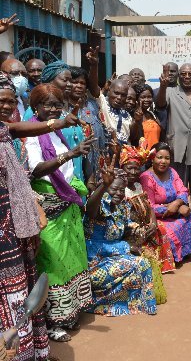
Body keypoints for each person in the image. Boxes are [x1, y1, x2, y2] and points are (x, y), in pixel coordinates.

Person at [0, 72, 71, 360]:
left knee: (22, 287)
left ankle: (28, 351)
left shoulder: (5, 132)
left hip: (15, 222)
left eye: (9, 101)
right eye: (0, 101)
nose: (6, 106)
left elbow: (18, 132)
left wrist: (59, 122)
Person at [25, 84, 96, 342]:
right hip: (50, 208)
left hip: (67, 203)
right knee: (52, 262)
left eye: (57, 104)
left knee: (73, 259)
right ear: (35, 108)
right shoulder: (33, 133)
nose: (54, 109)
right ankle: (53, 322)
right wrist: (71, 154)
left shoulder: (57, 130)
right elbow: (37, 170)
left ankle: (71, 312)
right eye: (48, 105)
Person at [84, 162, 157, 316]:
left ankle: (129, 303)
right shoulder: (99, 207)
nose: (118, 193)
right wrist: (104, 185)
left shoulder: (121, 206)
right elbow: (90, 210)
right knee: (141, 264)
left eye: (121, 190)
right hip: (95, 265)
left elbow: (128, 225)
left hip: (114, 259)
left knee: (144, 259)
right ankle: (98, 303)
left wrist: (143, 229)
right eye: (113, 189)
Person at [155, 63, 191, 205]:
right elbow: (160, 105)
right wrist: (163, 86)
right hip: (176, 149)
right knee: (176, 189)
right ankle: (177, 223)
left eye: (190, 74)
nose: (187, 77)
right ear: (178, 76)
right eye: (183, 74)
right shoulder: (170, 92)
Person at [120, 140, 175, 274]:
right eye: (129, 168)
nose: (133, 172)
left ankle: (159, 264)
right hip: (128, 227)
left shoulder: (138, 186)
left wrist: (153, 221)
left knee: (159, 228)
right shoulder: (120, 188)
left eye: (136, 168)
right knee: (143, 235)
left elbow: (148, 205)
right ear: (122, 168)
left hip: (142, 223)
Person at [140, 142, 191, 262]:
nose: (163, 161)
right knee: (169, 232)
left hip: (174, 210)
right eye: (159, 157)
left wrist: (176, 204)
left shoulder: (172, 171)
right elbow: (150, 206)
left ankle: (184, 253)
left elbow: (182, 190)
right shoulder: (146, 177)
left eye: (167, 158)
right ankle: (173, 258)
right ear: (152, 158)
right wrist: (171, 209)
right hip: (157, 217)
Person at [97, 78, 132, 143]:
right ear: (109, 91)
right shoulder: (103, 103)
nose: (119, 97)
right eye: (116, 93)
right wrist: (104, 89)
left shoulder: (128, 116)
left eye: (123, 95)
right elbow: (96, 92)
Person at [130, 84, 164, 148]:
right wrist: (137, 121)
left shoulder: (153, 115)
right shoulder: (132, 115)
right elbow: (132, 136)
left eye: (149, 97)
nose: (146, 100)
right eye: (143, 97)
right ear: (137, 99)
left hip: (155, 155)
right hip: (140, 155)